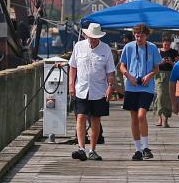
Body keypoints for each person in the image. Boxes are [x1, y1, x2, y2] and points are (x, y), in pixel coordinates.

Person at [68, 22, 115, 162]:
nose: (93, 39)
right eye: (91, 36)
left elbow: (110, 71)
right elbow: (73, 67)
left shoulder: (106, 49)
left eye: (96, 37)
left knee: (95, 119)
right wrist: (71, 84)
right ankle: (81, 148)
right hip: (81, 88)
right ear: (85, 35)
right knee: (80, 117)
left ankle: (92, 150)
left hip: (99, 90)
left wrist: (110, 86)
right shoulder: (78, 46)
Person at [118, 23, 161, 161]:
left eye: (141, 36)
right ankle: (137, 149)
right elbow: (122, 65)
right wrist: (128, 76)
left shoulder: (153, 48)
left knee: (142, 115)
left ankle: (146, 147)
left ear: (146, 36)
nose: (138, 38)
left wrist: (149, 76)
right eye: (136, 35)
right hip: (131, 86)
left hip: (146, 87)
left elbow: (156, 68)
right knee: (134, 117)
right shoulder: (128, 47)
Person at [154, 35, 179, 127]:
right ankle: (160, 118)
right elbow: (154, 64)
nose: (166, 46)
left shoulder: (174, 52)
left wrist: (171, 62)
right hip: (159, 75)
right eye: (165, 45)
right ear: (162, 43)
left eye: (168, 45)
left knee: (168, 97)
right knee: (160, 96)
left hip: (171, 75)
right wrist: (162, 62)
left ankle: (166, 119)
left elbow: (178, 66)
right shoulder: (157, 52)